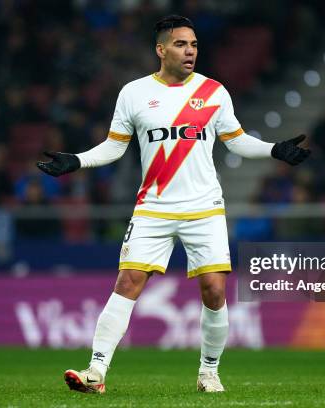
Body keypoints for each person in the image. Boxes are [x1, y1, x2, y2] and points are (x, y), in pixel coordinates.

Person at [36, 15, 310, 394]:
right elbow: (115, 146)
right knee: (127, 282)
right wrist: (78, 160)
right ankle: (96, 373)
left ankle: (208, 372)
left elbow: (236, 140)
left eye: (194, 44)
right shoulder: (133, 93)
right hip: (153, 207)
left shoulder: (214, 92)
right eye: (181, 44)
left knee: (214, 289)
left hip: (204, 207)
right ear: (161, 49)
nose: (191, 51)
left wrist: (273, 149)